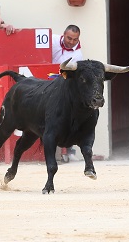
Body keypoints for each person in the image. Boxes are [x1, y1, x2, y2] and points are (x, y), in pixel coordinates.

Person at [52, 24, 83, 163]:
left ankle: (69, 149)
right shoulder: (51, 40)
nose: (71, 42)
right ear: (63, 35)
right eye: (69, 38)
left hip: (63, 84)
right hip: (47, 81)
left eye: (75, 40)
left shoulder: (78, 55)